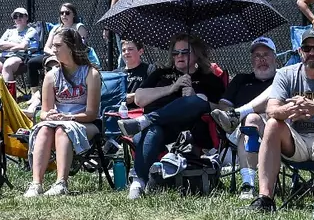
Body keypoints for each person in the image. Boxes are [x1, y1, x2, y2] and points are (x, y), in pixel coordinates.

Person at [248, 29, 314, 214]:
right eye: (307, 48)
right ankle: (265, 199)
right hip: (294, 142)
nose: (312, 52)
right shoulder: (286, 74)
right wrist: (288, 110)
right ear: (300, 51)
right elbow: (271, 109)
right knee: (272, 123)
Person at [122, 34, 228, 200]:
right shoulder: (160, 74)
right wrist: (172, 88)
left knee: (199, 100)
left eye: (185, 52)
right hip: (160, 130)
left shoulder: (209, 78)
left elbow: (223, 108)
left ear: (197, 54)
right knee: (154, 130)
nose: (179, 56)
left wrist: (193, 96)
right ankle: (138, 183)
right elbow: (139, 98)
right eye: (175, 53)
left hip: (189, 131)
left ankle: (145, 121)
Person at [24, 28, 103, 197]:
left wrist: (68, 117)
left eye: (58, 46)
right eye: (53, 46)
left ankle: (61, 183)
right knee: (44, 128)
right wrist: (49, 116)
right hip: (57, 122)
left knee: (62, 130)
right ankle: (36, 184)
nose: (54, 50)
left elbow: (92, 113)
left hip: (86, 123)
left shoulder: (91, 74)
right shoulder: (52, 76)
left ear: (71, 47)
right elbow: (44, 113)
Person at [222, 36, 280, 194]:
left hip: (277, 126)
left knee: (251, 119)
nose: (261, 60)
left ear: (275, 57)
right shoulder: (241, 79)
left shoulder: (282, 78)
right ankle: (248, 184)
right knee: (250, 121)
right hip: (242, 129)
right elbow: (224, 106)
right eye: (257, 56)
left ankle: (249, 184)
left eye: (266, 55)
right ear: (251, 61)